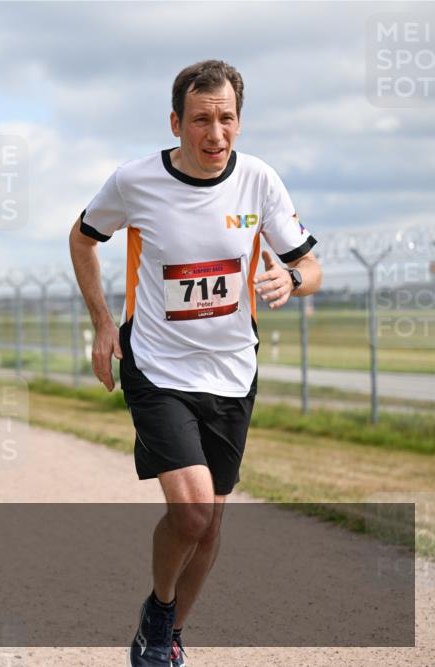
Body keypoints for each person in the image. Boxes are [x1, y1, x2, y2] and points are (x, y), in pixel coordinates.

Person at [69, 60, 321, 667]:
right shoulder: (135, 182)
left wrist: (289, 277)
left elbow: (312, 267)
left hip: (233, 372)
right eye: (202, 120)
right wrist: (105, 324)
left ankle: (166, 635)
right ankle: (158, 610)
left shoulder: (260, 181)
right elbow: (83, 238)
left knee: (210, 525)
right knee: (192, 510)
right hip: (156, 367)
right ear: (176, 122)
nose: (216, 134)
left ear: (240, 121)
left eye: (227, 119)